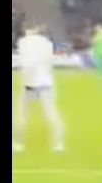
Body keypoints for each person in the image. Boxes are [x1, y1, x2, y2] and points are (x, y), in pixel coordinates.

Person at [14, 20, 67, 155]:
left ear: (27, 30)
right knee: (52, 114)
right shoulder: (46, 43)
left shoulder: (23, 42)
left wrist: (24, 76)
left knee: (21, 114)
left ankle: (18, 144)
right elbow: (51, 61)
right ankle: (58, 144)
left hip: (28, 83)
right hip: (45, 82)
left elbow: (24, 63)